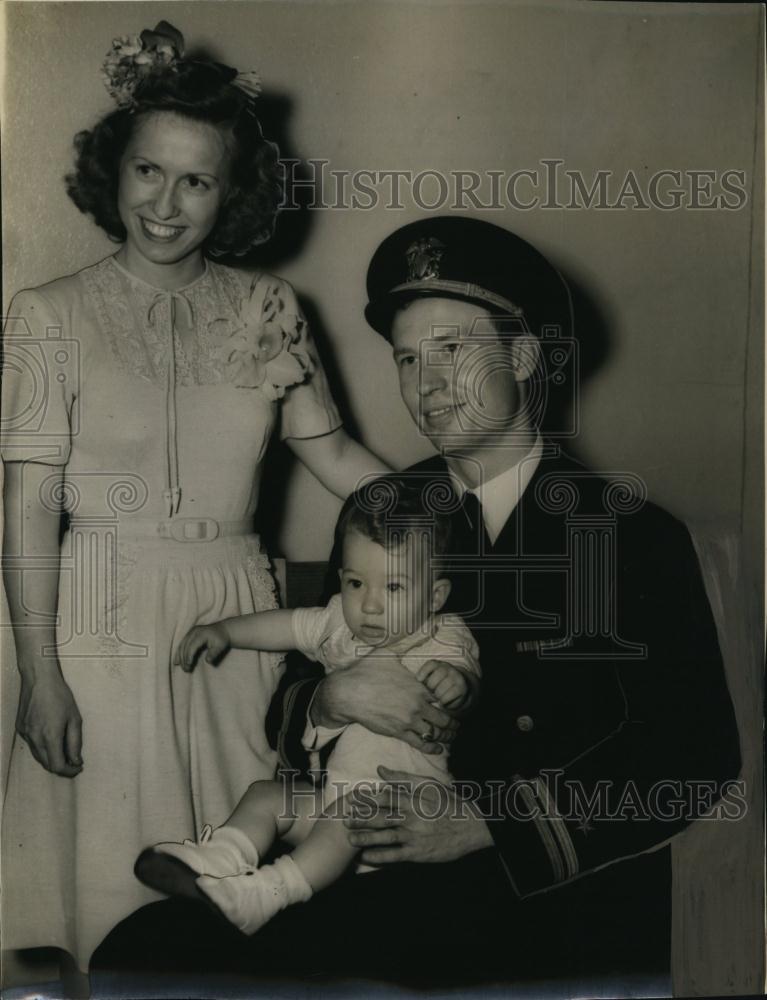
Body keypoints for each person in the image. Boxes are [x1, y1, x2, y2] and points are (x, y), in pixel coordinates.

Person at [92, 216, 741, 989]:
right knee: (140, 948)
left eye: (453, 350)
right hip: (367, 861)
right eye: (406, 358)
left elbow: (691, 757)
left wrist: (481, 825)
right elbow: (293, 695)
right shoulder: (388, 509)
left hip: (543, 888)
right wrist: (330, 696)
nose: (425, 386)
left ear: (525, 357)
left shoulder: (627, 532)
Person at [0, 21, 388, 973]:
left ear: (232, 193)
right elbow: (26, 506)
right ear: (114, 171)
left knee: (234, 883)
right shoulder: (46, 315)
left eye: (196, 181)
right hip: (94, 617)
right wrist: (38, 674)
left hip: (231, 614)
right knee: (94, 888)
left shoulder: (268, 309)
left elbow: (332, 451)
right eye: (147, 172)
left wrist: (444, 509)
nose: (165, 205)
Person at [132, 475, 480, 936]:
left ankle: (266, 894)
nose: (370, 606)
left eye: (393, 589)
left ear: (435, 596)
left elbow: (470, 682)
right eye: (357, 583)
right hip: (334, 802)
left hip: (400, 813)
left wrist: (458, 683)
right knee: (264, 795)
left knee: (344, 816)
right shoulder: (339, 622)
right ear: (341, 580)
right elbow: (286, 625)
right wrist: (225, 632)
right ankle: (221, 862)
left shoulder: (443, 635)